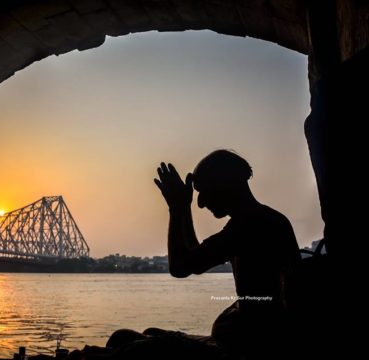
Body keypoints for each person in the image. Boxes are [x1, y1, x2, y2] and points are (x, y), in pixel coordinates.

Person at [106, 149, 301, 359]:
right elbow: (194, 258)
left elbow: (180, 267)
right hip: (239, 342)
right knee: (147, 335)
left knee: (123, 340)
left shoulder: (249, 226)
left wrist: (176, 208)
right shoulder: (259, 220)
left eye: (203, 191)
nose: (200, 203)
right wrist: (184, 208)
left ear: (223, 185)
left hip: (249, 350)